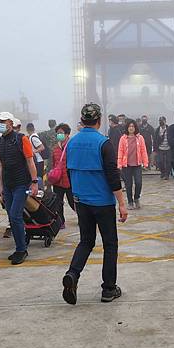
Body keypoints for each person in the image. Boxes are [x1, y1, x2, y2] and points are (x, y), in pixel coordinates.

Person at [62, 103, 127, 305]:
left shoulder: (71, 143)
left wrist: (74, 196)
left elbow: (69, 171)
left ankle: (73, 274)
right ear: (98, 121)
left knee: (86, 241)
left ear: (82, 121)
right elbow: (113, 176)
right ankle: (108, 289)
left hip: (82, 201)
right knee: (110, 244)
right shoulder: (103, 143)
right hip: (103, 203)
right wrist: (122, 204)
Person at [0, 112, 38, 265]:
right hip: (8, 185)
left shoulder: (21, 139)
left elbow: (30, 162)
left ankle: (21, 250)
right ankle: (20, 245)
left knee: (15, 215)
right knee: (11, 217)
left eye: (2, 121)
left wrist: (34, 182)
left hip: (22, 184)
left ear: (10, 123)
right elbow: (1, 166)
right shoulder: (0, 143)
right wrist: (0, 185)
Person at [118, 119, 149, 210]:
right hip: (126, 165)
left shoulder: (140, 138)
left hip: (137, 164)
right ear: (127, 128)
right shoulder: (123, 138)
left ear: (135, 128)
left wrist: (145, 162)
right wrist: (119, 164)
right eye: (129, 126)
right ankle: (130, 201)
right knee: (128, 184)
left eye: (133, 126)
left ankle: (136, 198)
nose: (131, 128)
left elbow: (143, 150)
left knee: (139, 182)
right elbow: (120, 151)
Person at [51, 123, 75, 228]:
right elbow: (53, 163)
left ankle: (83, 217)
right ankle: (61, 222)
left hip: (70, 179)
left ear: (67, 134)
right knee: (58, 202)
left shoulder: (72, 145)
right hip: (58, 180)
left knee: (73, 201)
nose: (59, 135)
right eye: (57, 133)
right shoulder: (55, 148)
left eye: (61, 133)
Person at [26, 123, 46, 191]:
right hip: (37, 161)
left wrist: (33, 151)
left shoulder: (33, 137)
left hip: (38, 161)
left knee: (38, 179)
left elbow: (42, 147)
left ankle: (40, 192)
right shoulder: (33, 136)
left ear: (27, 130)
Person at [154, 116, 171, 180]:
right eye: (160, 120)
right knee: (160, 161)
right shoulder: (157, 130)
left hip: (168, 148)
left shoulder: (169, 129)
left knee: (168, 162)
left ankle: (167, 174)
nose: (161, 122)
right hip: (160, 148)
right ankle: (162, 172)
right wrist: (155, 149)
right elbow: (155, 139)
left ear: (165, 121)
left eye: (162, 120)